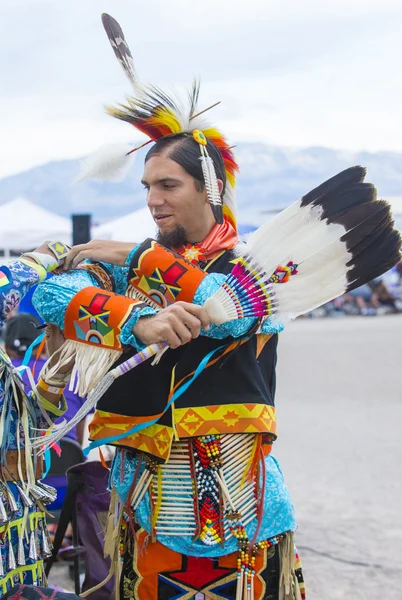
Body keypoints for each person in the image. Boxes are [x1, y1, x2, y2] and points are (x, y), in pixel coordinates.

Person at [30, 15, 305, 600]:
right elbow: (48, 296)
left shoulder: (255, 272)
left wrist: (137, 257)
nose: (153, 200)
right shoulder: (131, 267)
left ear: (208, 189)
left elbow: (228, 312)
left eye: (168, 186)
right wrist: (137, 318)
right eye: (147, 186)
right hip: (145, 500)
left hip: (239, 503)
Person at [0, 242, 84, 596]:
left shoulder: (7, 365)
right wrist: (51, 255)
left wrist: (57, 371)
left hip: (19, 513)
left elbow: (29, 425)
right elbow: (10, 281)